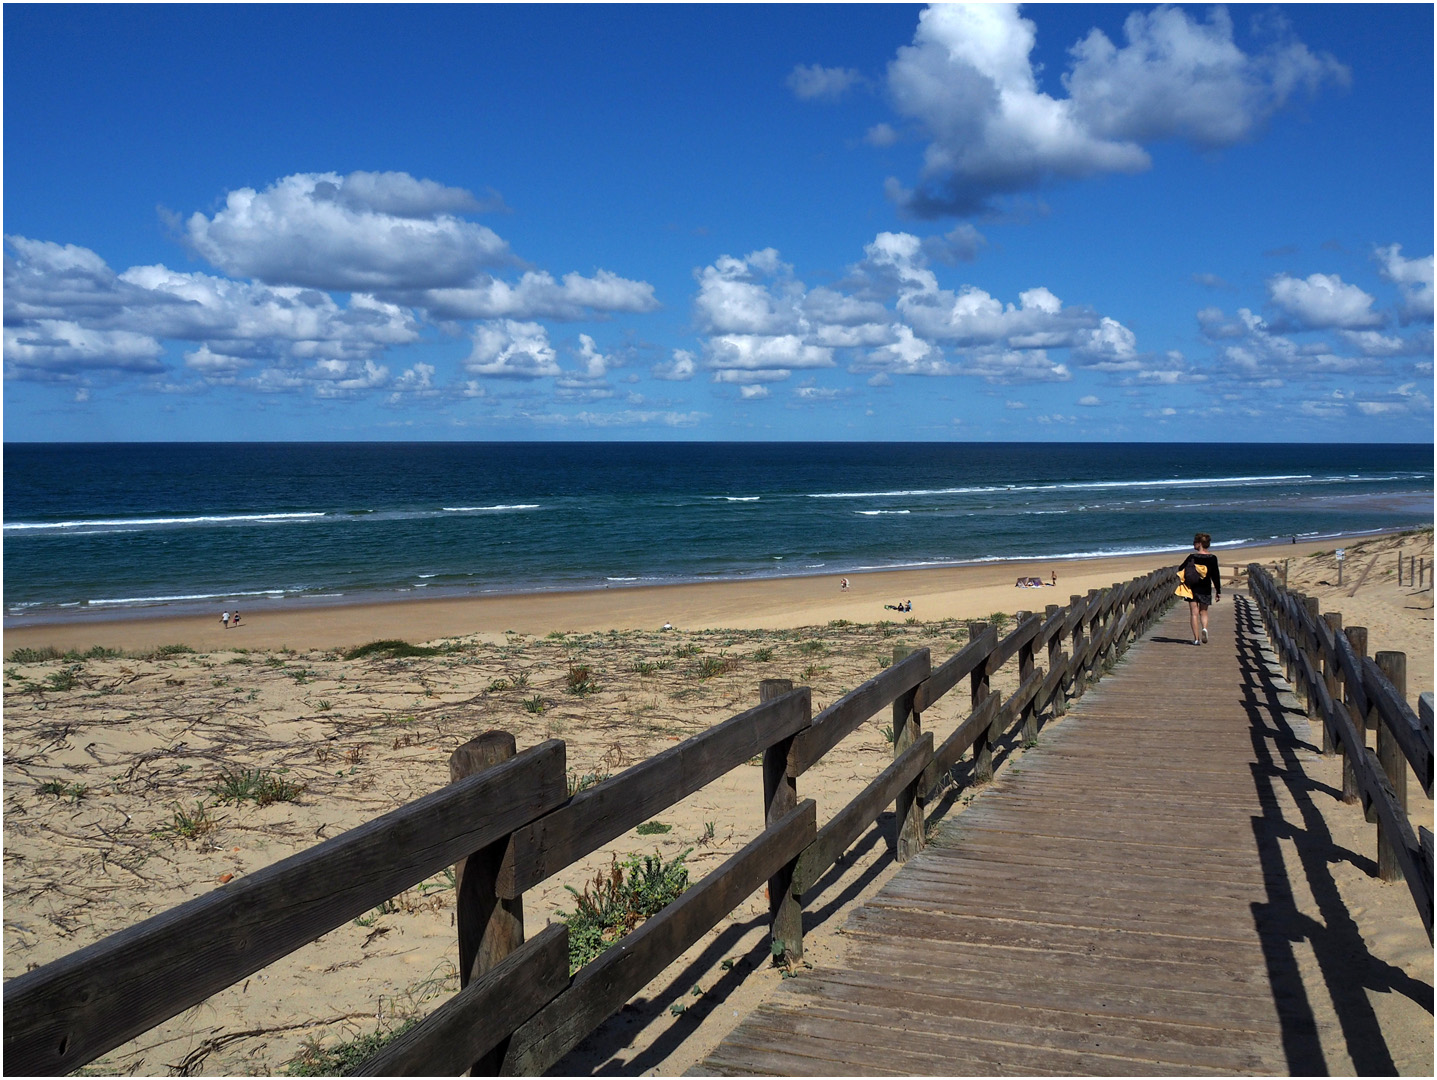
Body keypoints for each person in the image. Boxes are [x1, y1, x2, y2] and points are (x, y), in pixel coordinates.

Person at [1176, 532, 1221, 645]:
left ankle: (1196, 639)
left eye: (1194, 543)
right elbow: (1215, 575)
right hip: (1205, 587)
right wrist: (1218, 591)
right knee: (1204, 611)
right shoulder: (1212, 558)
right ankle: (1204, 628)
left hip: (1191, 588)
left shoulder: (1192, 557)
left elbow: (1181, 568)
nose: (1193, 545)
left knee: (1194, 613)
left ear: (1200, 543)